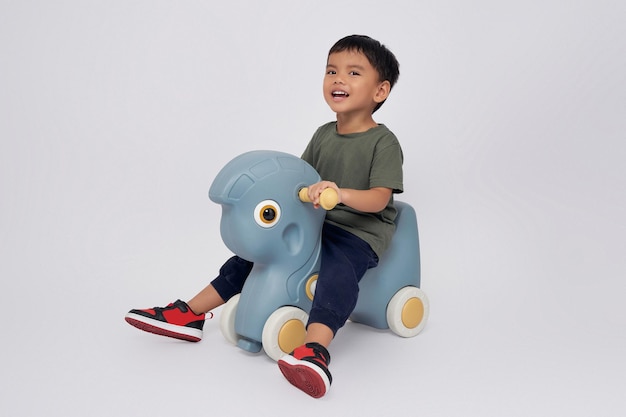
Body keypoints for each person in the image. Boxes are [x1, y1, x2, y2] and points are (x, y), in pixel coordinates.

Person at [125, 34, 402, 399]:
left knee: (337, 270)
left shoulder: (383, 142)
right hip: (319, 223)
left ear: (379, 91)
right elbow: (302, 176)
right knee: (253, 256)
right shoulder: (323, 134)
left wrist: (341, 195)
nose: (338, 79)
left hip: (358, 233)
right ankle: (191, 314)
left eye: (353, 73)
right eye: (331, 70)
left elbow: (380, 200)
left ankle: (315, 349)